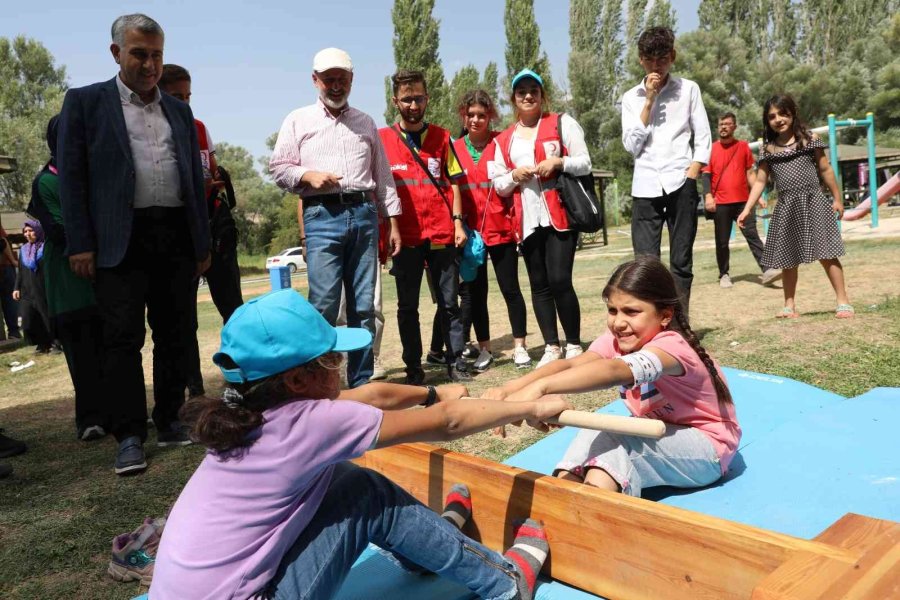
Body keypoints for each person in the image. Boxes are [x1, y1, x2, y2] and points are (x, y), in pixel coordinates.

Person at [149, 289, 565, 600]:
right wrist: (529, 406)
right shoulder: (314, 422)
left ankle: (427, 548)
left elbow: (372, 396)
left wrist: (435, 393)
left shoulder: (251, 412)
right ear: (299, 380)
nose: (342, 369)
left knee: (341, 477)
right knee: (368, 494)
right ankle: (506, 582)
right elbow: (449, 424)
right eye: (334, 361)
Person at [58, 14, 212, 475]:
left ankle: (170, 420)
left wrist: (201, 243)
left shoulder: (179, 111)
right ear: (116, 53)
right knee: (122, 340)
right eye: (140, 54)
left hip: (175, 237)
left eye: (157, 55)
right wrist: (80, 243)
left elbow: (192, 179)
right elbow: (73, 179)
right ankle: (128, 435)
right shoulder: (85, 103)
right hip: (117, 241)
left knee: (176, 335)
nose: (149, 64)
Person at [485, 256, 741, 498]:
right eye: (612, 310)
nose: (618, 322)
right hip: (659, 434)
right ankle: (555, 503)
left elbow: (615, 371)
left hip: (708, 451)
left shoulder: (671, 347)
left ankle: (585, 519)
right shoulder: (617, 341)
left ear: (665, 315)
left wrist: (540, 389)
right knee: (595, 432)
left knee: (614, 444)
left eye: (631, 312)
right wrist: (512, 388)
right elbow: (571, 365)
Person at [270, 48, 402, 389]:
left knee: (364, 307)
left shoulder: (366, 122)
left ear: (352, 81)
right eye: (328, 79)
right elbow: (279, 168)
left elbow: (383, 176)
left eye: (341, 79)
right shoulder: (298, 120)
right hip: (321, 214)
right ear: (315, 81)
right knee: (324, 304)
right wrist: (306, 175)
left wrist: (394, 222)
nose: (335, 85)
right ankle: (320, 384)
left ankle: (361, 383)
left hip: (364, 213)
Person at [489, 69, 592, 369]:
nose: (528, 96)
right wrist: (513, 175)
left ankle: (573, 342)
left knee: (560, 279)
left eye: (534, 90)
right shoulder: (504, 139)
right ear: (514, 99)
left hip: (560, 216)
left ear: (542, 95)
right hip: (527, 221)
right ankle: (551, 345)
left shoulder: (562, 123)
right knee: (539, 285)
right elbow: (498, 183)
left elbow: (585, 162)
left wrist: (559, 161)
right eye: (521, 92)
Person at [379, 69, 471, 384]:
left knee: (449, 304)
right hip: (405, 240)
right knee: (407, 308)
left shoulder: (443, 138)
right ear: (396, 101)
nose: (414, 105)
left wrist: (458, 223)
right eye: (407, 99)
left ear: (427, 98)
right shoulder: (383, 140)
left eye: (419, 98)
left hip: (443, 235)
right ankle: (414, 369)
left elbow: (455, 183)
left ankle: (456, 362)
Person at [159, 63, 243, 398]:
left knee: (232, 308)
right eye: (176, 96)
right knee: (184, 317)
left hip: (213, 226)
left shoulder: (199, 127)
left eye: (187, 96)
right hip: (177, 233)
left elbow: (208, 168)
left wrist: (210, 182)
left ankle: (240, 374)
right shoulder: (151, 131)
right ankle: (193, 385)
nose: (184, 102)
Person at [621, 26, 711, 316]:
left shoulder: (689, 89)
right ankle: (650, 325)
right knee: (645, 263)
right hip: (644, 185)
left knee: (681, 260)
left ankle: (679, 325)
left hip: (681, 181)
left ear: (672, 56)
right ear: (640, 60)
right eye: (649, 59)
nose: (656, 65)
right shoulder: (631, 98)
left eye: (662, 58)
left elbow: (703, 135)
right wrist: (648, 100)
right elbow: (632, 146)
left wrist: (694, 171)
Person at [738, 95, 853, 319]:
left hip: (814, 202)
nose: (778, 119)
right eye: (772, 116)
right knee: (787, 257)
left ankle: (843, 301)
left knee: (827, 253)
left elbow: (825, 170)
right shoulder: (768, 150)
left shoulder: (810, 139)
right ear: (767, 120)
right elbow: (760, 181)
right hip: (786, 206)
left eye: (783, 113)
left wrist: (837, 199)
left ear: (792, 113)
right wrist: (746, 209)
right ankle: (789, 305)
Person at [27, 115, 106, 441]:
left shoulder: (91, 175)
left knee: (111, 349)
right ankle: (89, 419)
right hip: (69, 287)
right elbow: (61, 230)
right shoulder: (46, 181)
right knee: (81, 352)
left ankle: (120, 413)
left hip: (103, 283)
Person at [454, 89, 531, 371]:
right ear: (463, 117)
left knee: (510, 289)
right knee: (476, 294)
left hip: (501, 227)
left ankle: (520, 346)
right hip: (470, 235)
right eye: (470, 115)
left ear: (490, 117)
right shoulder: (454, 147)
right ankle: (484, 348)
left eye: (482, 115)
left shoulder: (502, 143)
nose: (476, 120)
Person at [702, 112, 780, 289]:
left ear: (734, 127)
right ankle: (724, 274)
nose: (723, 127)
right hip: (720, 203)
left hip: (743, 203)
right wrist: (708, 196)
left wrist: (758, 197)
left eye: (727, 124)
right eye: (721, 124)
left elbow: (750, 174)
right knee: (722, 242)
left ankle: (767, 269)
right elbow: (706, 175)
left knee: (752, 236)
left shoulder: (743, 147)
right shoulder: (711, 149)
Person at [13, 220, 54, 353]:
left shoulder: (46, 248)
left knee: (46, 316)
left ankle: (55, 343)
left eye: (31, 231)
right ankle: (41, 343)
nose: (28, 234)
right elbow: (20, 271)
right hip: (27, 291)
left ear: (38, 231)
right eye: (25, 231)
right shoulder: (23, 250)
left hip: (42, 288)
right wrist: (16, 288)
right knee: (28, 320)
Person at [0, 225, 20, 340]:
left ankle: (13, 331)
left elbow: (2, 242)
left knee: (9, 299)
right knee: (9, 299)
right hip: (5, 266)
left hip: (5, 266)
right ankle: (14, 332)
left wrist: (12, 261)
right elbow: (3, 241)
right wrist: (12, 260)